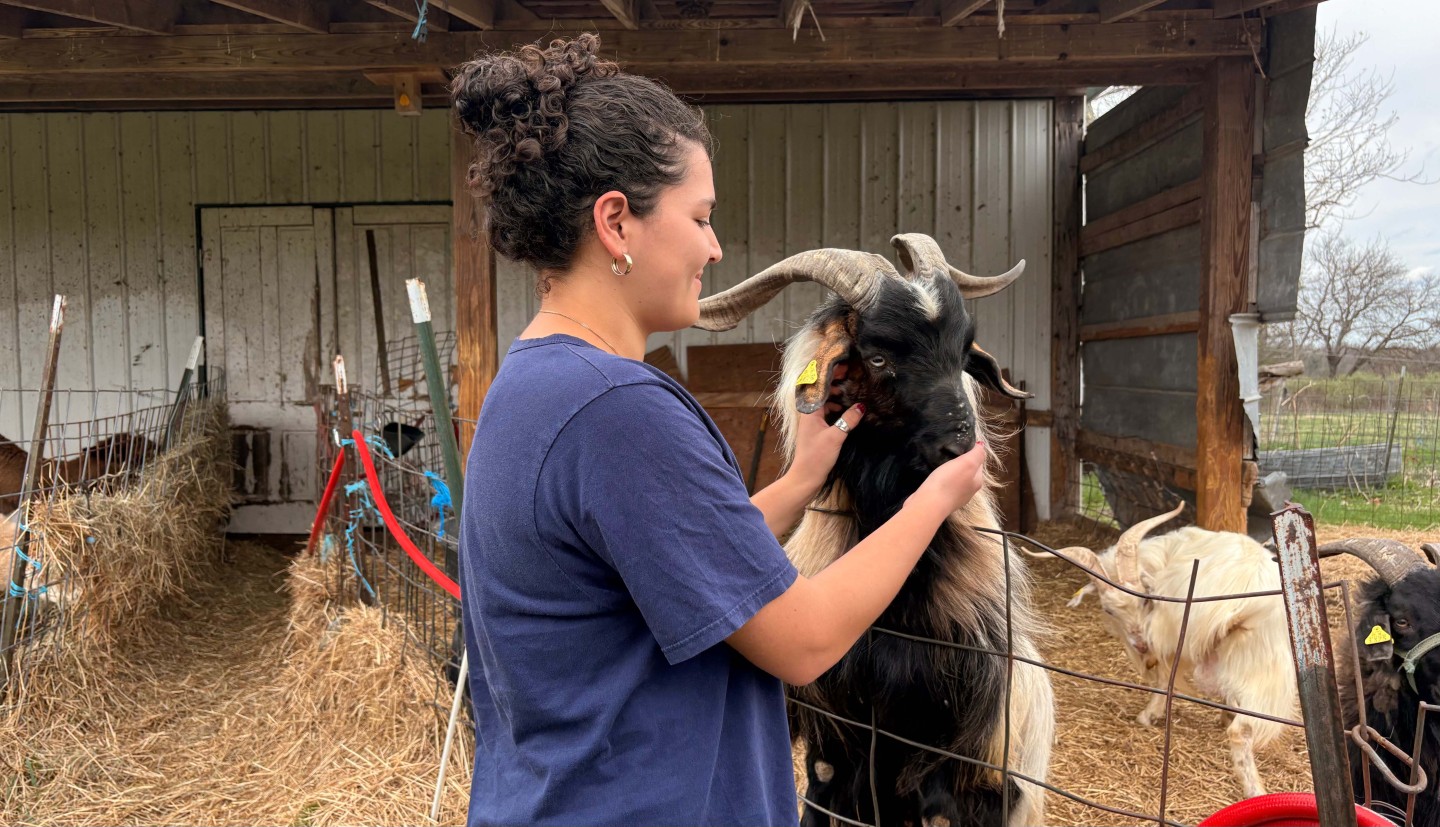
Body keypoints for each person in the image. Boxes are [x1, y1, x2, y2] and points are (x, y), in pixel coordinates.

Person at [451, 34, 990, 827]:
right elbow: (803, 641)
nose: (715, 247)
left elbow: (685, 564)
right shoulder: (619, 409)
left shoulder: (530, 383)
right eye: (700, 218)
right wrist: (934, 499)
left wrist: (802, 480)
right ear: (616, 223)